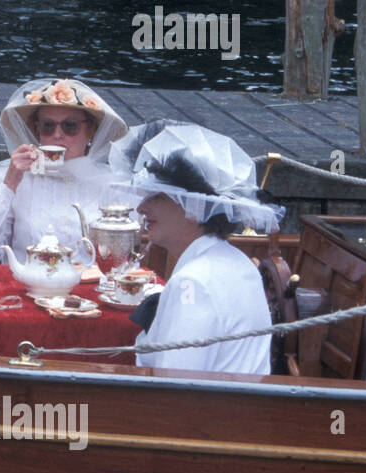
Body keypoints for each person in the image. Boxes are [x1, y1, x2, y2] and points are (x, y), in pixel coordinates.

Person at [109, 121, 283, 376]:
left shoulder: (194, 282)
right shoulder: (237, 260)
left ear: (193, 208)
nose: (141, 208)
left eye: (157, 197)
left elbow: (175, 384)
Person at [0, 77, 128, 264]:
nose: (58, 135)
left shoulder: (110, 184)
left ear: (90, 130)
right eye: (48, 126)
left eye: (70, 126)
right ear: (37, 130)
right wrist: (9, 184)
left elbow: (121, 260)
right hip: (28, 286)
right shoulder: (15, 177)